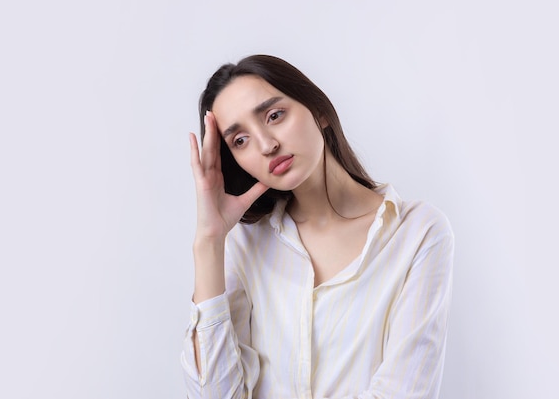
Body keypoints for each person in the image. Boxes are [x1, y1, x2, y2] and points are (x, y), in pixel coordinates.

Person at [181, 54, 454, 399]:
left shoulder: (418, 234)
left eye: (274, 115)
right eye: (240, 140)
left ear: (319, 111)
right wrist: (209, 240)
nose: (267, 145)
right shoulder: (245, 245)